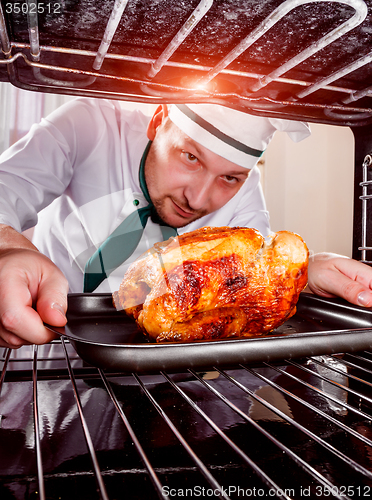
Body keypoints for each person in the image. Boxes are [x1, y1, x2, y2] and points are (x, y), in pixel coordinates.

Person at [0, 98, 372, 350]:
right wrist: (7, 248)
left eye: (229, 178)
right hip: (48, 343)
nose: (197, 198)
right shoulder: (90, 124)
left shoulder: (246, 189)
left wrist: (304, 270)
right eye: (191, 157)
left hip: (175, 372)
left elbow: (256, 273)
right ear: (158, 122)